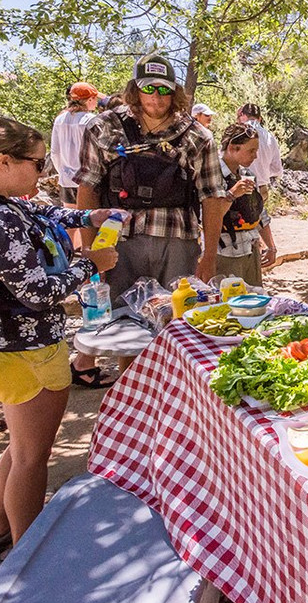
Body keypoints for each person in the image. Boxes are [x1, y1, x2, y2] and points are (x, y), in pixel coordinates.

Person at [0, 116, 121, 546]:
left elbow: (46, 210)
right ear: (5, 162)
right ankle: (27, 547)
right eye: (36, 163)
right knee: (33, 457)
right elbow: (34, 292)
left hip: (25, 347)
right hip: (24, 348)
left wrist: (93, 213)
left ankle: (4, 525)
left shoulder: (15, 204)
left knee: (19, 446)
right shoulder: (3, 220)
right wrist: (92, 264)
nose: (43, 172)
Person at [73, 53, 229, 381]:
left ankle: (173, 396)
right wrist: (90, 255)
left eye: (163, 90)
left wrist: (209, 255)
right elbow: (87, 189)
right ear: (135, 89)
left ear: (175, 92)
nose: (156, 97)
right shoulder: (104, 127)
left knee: (179, 326)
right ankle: (135, 398)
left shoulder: (197, 135)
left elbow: (213, 197)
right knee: (126, 333)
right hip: (119, 243)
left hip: (178, 241)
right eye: (148, 89)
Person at [217, 123, 277, 286]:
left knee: (253, 301)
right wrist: (231, 195)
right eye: (251, 151)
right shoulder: (213, 174)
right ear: (233, 148)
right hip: (224, 254)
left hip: (251, 251)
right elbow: (207, 217)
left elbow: (258, 212)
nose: (255, 156)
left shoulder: (247, 175)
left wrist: (271, 246)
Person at [50, 82, 102, 247]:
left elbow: (54, 152)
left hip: (66, 178)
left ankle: (68, 256)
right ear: (89, 100)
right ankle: (88, 258)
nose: (96, 103)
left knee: (69, 219)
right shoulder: (91, 120)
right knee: (88, 219)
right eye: (94, 99)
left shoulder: (60, 119)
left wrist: (62, 172)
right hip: (87, 179)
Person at [236, 103, 283, 200]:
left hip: (242, 186)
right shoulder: (270, 137)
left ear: (243, 116)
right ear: (260, 119)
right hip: (262, 189)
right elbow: (277, 169)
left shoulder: (238, 133)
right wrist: (262, 172)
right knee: (257, 214)